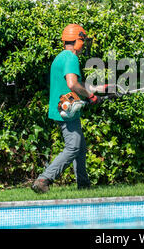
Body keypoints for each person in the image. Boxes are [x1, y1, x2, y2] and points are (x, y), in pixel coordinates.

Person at [31, 24, 105, 193]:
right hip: (66, 110)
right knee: (73, 147)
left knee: (80, 146)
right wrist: (91, 96)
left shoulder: (61, 57)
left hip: (65, 108)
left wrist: (98, 89)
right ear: (77, 41)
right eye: (83, 40)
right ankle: (44, 179)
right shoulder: (71, 58)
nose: (85, 44)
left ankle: (84, 184)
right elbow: (72, 84)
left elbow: (73, 84)